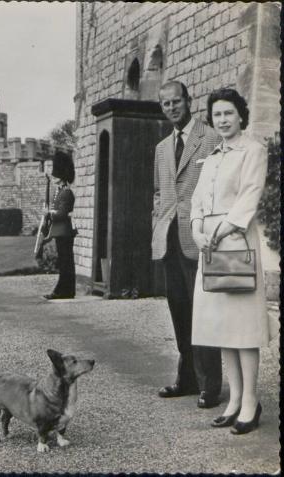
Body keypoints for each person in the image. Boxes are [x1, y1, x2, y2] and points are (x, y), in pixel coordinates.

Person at [190, 88, 271, 434]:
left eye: (228, 113)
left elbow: (250, 195)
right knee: (223, 327)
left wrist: (222, 229)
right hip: (210, 246)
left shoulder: (253, 150)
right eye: (217, 115)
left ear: (241, 115)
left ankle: (251, 401)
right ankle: (235, 399)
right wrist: (196, 230)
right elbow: (196, 201)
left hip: (235, 242)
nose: (222, 120)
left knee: (243, 327)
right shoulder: (211, 158)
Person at [151, 80, 222, 408]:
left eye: (176, 102)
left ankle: (211, 384)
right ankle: (188, 379)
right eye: (165, 104)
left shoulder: (209, 138)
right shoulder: (162, 148)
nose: (171, 108)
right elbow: (160, 192)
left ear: (188, 100)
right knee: (179, 309)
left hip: (199, 238)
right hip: (169, 240)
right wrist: (157, 223)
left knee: (203, 312)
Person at [44, 150, 76, 300]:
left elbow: (62, 214)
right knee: (64, 262)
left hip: (64, 231)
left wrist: (49, 213)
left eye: (56, 174)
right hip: (59, 231)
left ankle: (64, 290)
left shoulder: (67, 192)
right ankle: (65, 290)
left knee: (65, 262)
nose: (53, 176)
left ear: (62, 176)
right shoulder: (60, 191)